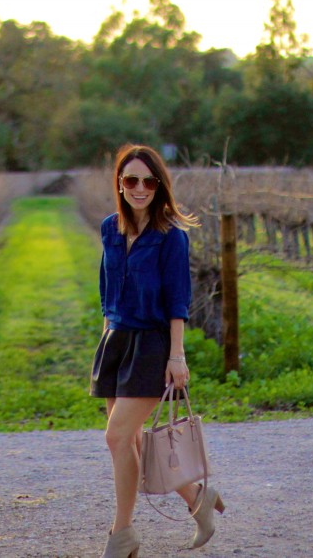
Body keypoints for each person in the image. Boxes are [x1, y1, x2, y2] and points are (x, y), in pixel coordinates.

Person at [89, 144, 224, 558]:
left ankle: (122, 533)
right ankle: (198, 497)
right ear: (120, 184)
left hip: (152, 344)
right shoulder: (110, 228)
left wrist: (177, 356)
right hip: (116, 342)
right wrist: (103, 343)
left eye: (149, 180)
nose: (140, 187)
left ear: (159, 185)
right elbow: (106, 290)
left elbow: (177, 300)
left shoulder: (171, 237)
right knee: (130, 443)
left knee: (117, 437)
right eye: (131, 180)